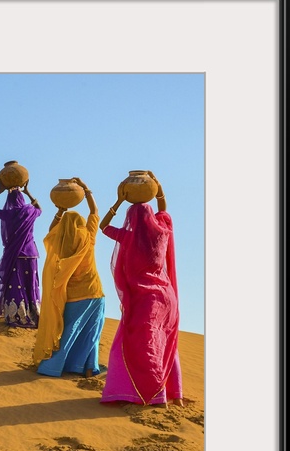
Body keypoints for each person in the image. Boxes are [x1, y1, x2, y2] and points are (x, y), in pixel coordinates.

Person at [99, 171, 184, 406]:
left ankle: (155, 396)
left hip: (146, 299)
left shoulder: (128, 237)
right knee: (166, 341)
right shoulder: (162, 232)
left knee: (137, 345)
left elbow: (103, 226)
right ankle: (174, 395)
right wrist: (159, 189)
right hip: (167, 298)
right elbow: (164, 211)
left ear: (131, 218)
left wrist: (118, 201)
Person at [33, 177, 106, 378]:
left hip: (72, 295)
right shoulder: (88, 238)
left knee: (68, 332)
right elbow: (94, 212)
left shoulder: (60, 244)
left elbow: (51, 231)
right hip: (93, 292)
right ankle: (88, 368)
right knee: (92, 332)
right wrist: (86, 188)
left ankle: (53, 366)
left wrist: (60, 209)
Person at [0, 178, 42, 327]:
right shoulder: (30, 211)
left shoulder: (8, 214)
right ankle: (35, 314)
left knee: (16, 284)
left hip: (16, 255)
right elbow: (40, 209)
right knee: (30, 284)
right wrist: (28, 191)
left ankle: (18, 315)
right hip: (31, 254)